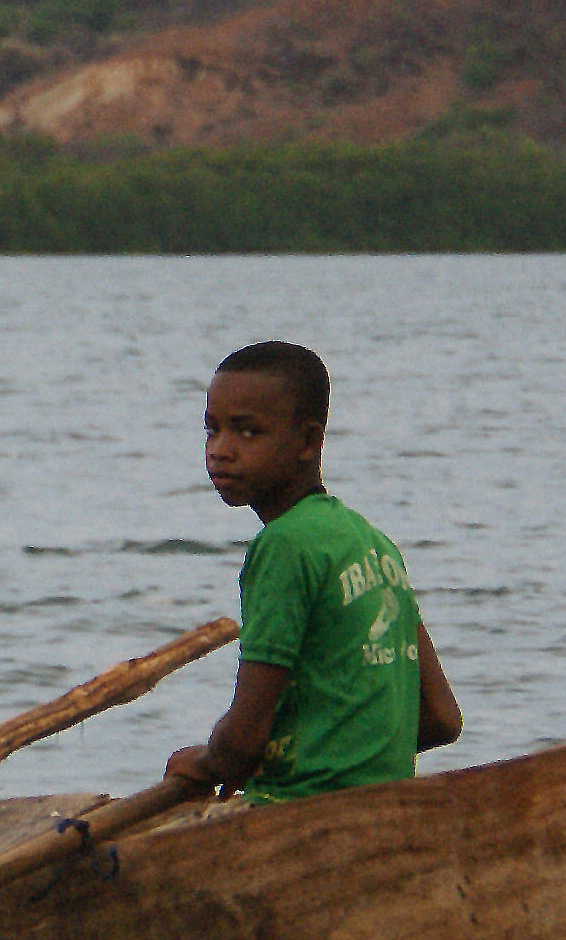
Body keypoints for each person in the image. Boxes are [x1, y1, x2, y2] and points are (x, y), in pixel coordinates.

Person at [165, 341, 463, 802]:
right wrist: (338, 755)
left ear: (307, 442)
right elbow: (441, 718)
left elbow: (241, 742)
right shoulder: (372, 543)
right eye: (213, 430)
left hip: (294, 808)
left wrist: (205, 763)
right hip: (384, 803)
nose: (220, 451)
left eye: (247, 432)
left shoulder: (284, 545)